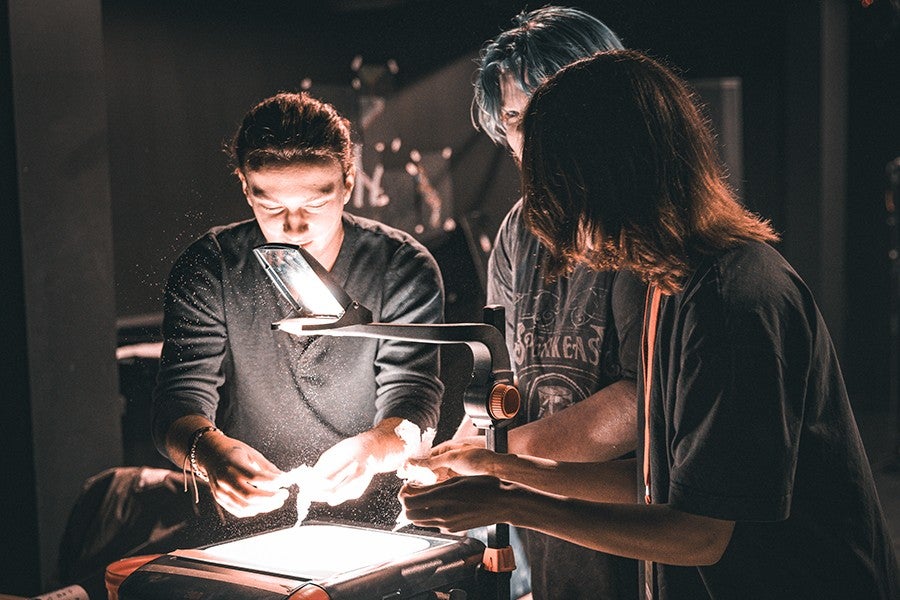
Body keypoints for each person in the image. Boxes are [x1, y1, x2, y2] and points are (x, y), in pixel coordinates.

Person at [401, 50, 900, 599]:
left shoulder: (732, 303)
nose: (556, 222)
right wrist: (499, 467)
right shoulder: (672, 284)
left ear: (609, 178)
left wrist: (508, 500)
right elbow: (651, 482)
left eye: (558, 190)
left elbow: (697, 532)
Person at [152, 91, 445, 537]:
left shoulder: (401, 267)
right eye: (272, 207)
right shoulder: (211, 267)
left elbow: (414, 396)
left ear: (348, 183)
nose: (294, 226)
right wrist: (208, 452)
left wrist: (372, 448)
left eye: (314, 203)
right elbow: (178, 400)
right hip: (248, 526)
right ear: (246, 187)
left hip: (381, 523)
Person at [453, 7, 645, 599]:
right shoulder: (517, 231)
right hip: (552, 544)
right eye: (513, 116)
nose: (531, 133)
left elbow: (644, 402)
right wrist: (458, 448)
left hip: (636, 536)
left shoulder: (641, 221)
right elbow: (506, 388)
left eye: (547, 106)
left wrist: (494, 457)